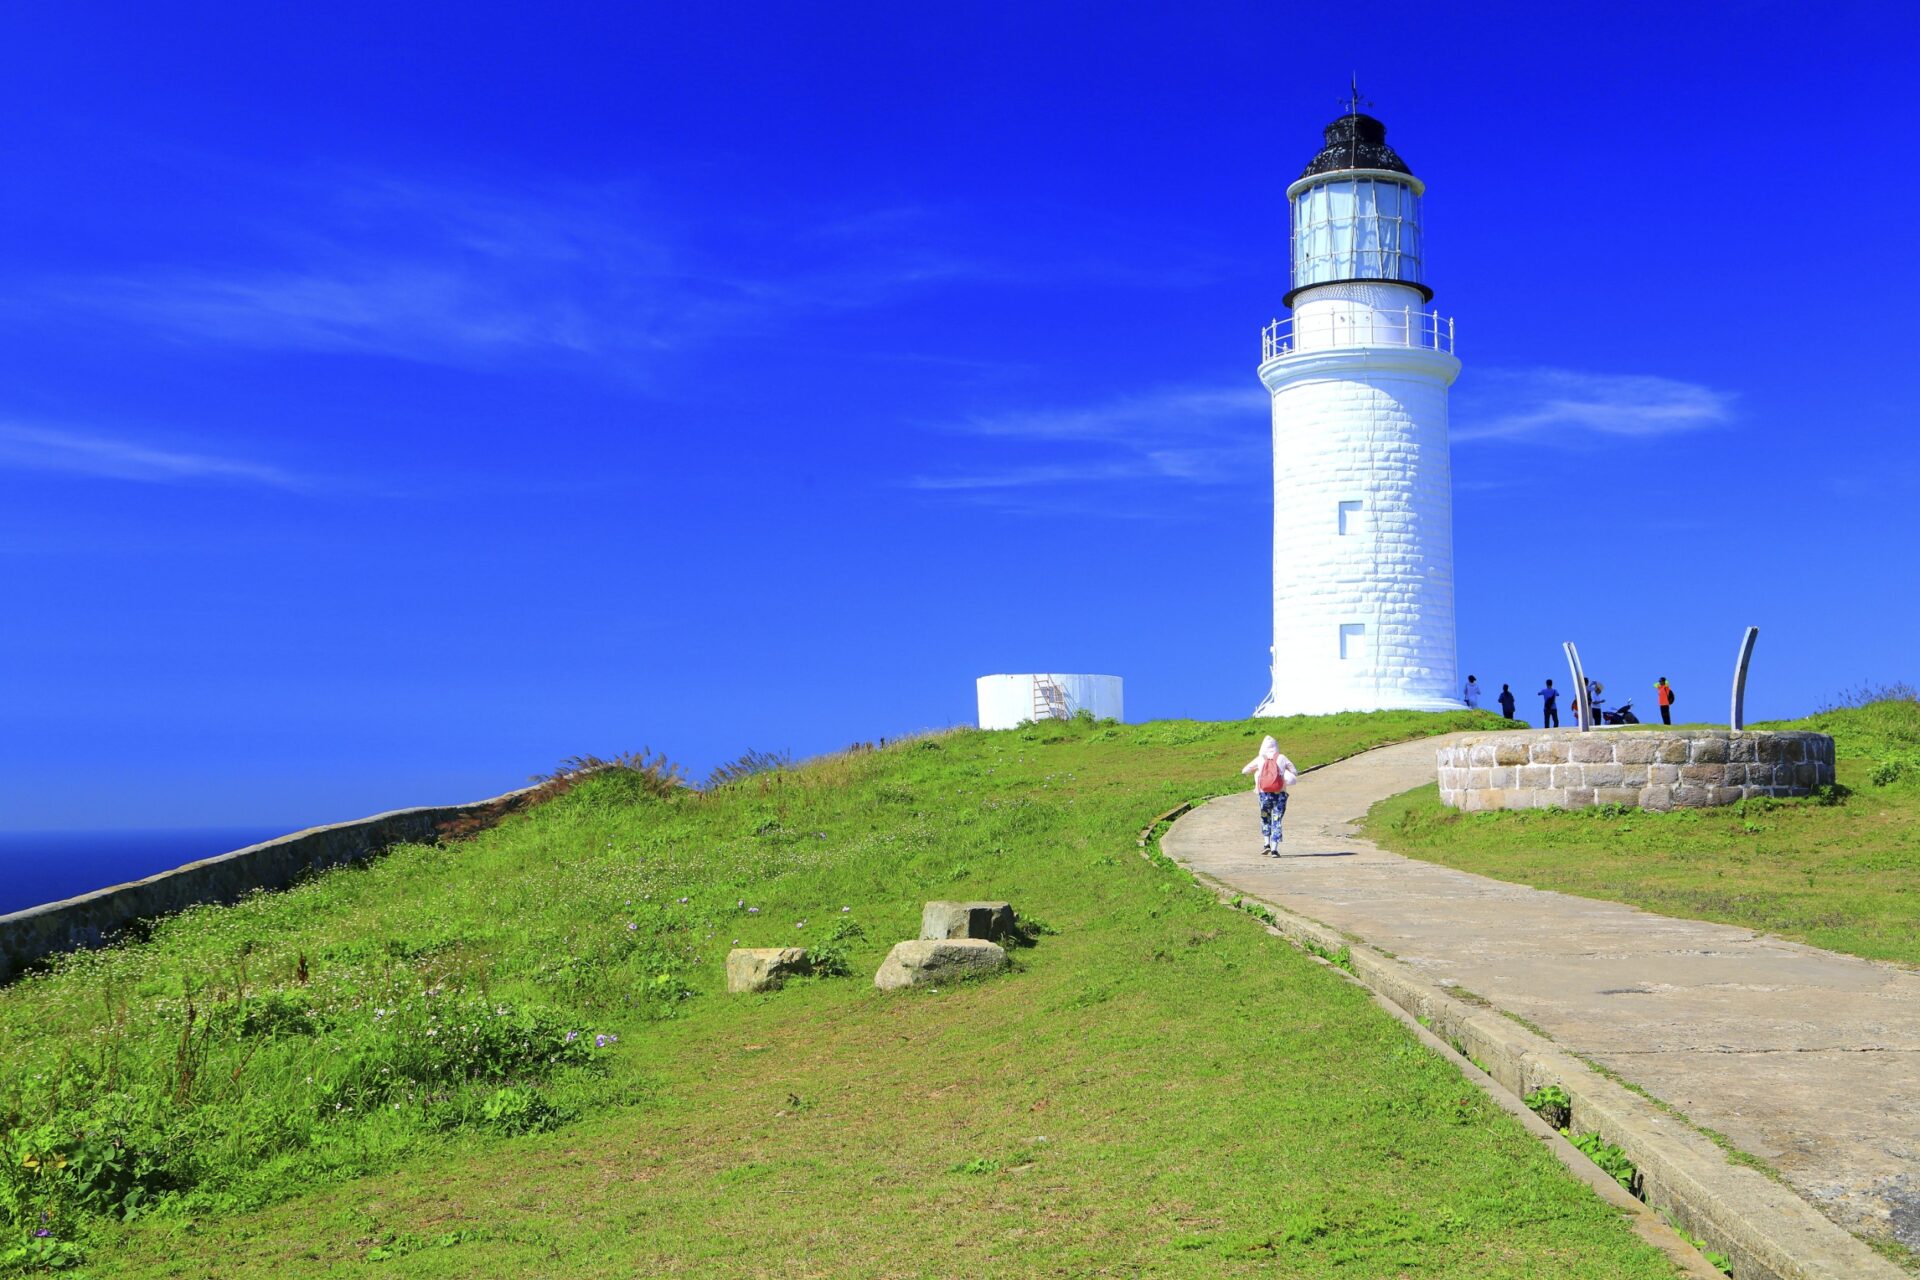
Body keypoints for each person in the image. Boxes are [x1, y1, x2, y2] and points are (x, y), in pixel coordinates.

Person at [1240, 734, 1298, 856]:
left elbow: (1244, 770)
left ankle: (1266, 844)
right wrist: (1283, 772)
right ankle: (1274, 849)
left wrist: (1257, 772)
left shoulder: (1260, 758)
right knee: (1277, 820)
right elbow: (1295, 771)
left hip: (1264, 795)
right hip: (1280, 794)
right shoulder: (1282, 757)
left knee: (1265, 817)